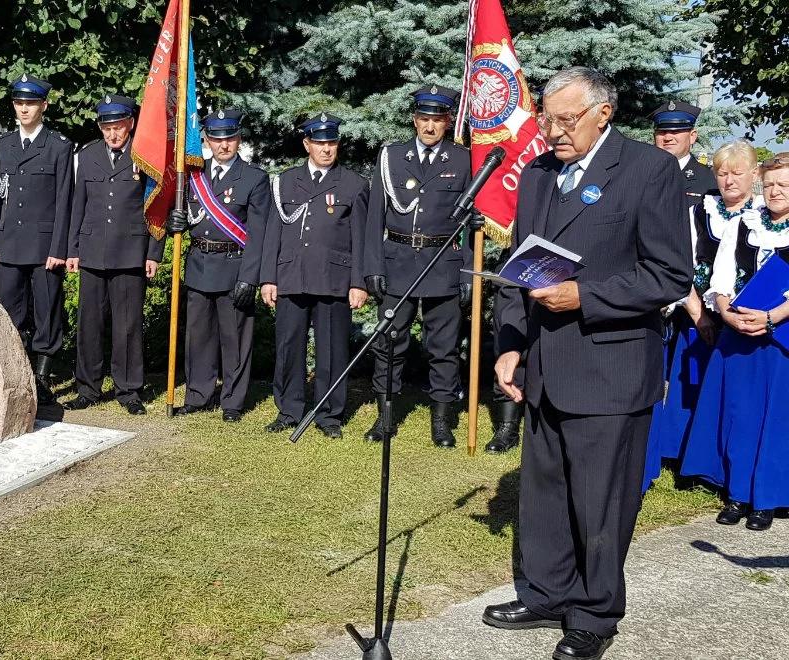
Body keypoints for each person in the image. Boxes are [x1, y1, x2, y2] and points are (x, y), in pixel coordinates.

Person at [484, 67, 691, 660]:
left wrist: (586, 296)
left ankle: (594, 615)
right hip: (544, 365)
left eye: (564, 119)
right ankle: (546, 592)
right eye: (546, 118)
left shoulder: (649, 171)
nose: (550, 131)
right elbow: (519, 268)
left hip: (610, 367)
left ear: (604, 113)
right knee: (545, 490)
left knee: (600, 501)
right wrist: (510, 344)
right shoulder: (540, 176)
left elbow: (669, 274)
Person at [680, 152, 789, 532]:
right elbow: (722, 280)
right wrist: (726, 313)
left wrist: (773, 318)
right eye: (771, 184)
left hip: (782, 335)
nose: (775, 191)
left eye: (784, 185)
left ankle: (768, 498)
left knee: (776, 416)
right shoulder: (743, 222)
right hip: (738, 330)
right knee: (739, 413)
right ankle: (737, 493)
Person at [644, 141, 760, 489]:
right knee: (689, 382)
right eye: (722, 173)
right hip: (697, 313)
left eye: (737, 173)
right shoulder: (700, 211)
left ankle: (722, 462)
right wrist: (698, 314)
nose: (728, 180)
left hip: (745, 319)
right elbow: (681, 266)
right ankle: (683, 456)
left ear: (754, 174)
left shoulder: (764, 215)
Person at [362, 85, 472, 447]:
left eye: (437, 120)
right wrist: (373, 267)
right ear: (414, 120)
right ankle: (385, 419)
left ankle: (441, 423)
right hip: (397, 263)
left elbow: (472, 223)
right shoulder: (391, 158)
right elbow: (374, 216)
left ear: (447, 122)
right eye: (424, 119)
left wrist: (468, 269)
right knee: (389, 344)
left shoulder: (463, 160)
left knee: (443, 348)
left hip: (443, 264)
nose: (429, 126)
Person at [261, 113, 369, 439]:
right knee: (289, 347)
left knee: (332, 350)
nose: (326, 149)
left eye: (331, 142)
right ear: (307, 144)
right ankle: (289, 410)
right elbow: (272, 233)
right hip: (291, 275)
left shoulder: (354, 184)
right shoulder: (285, 181)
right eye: (319, 143)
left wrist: (358, 282)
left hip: (333, 278)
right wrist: (268, 277)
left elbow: (361, 239)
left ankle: (329, 414)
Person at [165, 108, 270, 422]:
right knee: (198, 337)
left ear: (238, 138)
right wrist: (175, 222)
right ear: (207, 141)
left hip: (234, 267)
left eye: (231, 138)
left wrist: (250, 277)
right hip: (199, 264)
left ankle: (232, 402)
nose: (224, 145)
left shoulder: (255, 178)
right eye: (217, 139)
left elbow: (259, 234)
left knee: (235, 339)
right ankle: (198, 395)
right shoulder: (193, 175)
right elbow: (181, 216)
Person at [63, 95, 162, 415]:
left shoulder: (144, 155)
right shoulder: (88, 154)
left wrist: (154, 253)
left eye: (118, 127)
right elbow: (79, 205)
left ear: (130, 124)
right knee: (89, 324)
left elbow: (156, 208)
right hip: (92, 251)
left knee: (128, 326)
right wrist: (72, 249)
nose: (113, 134)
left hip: (130, 252)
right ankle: (88, 388)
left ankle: (129, 389)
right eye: (107, 128)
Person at [0, 75, 73, 404]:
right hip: (9, 245)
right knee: (9, 313)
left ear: (43, 106)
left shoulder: (59, 146)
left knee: (47, 313)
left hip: (43, 247)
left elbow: (64, 200)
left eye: (31, 103)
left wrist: (58, 249)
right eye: (19, 103)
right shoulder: (2, 145)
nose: (24, 109)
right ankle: (15, 375)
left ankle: (43, 379)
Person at [649, 100, 716, 210]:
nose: (667, 138)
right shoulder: (641, 174)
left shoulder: (710, 179)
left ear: (692, 136)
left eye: (676, 131)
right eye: (661, 132)